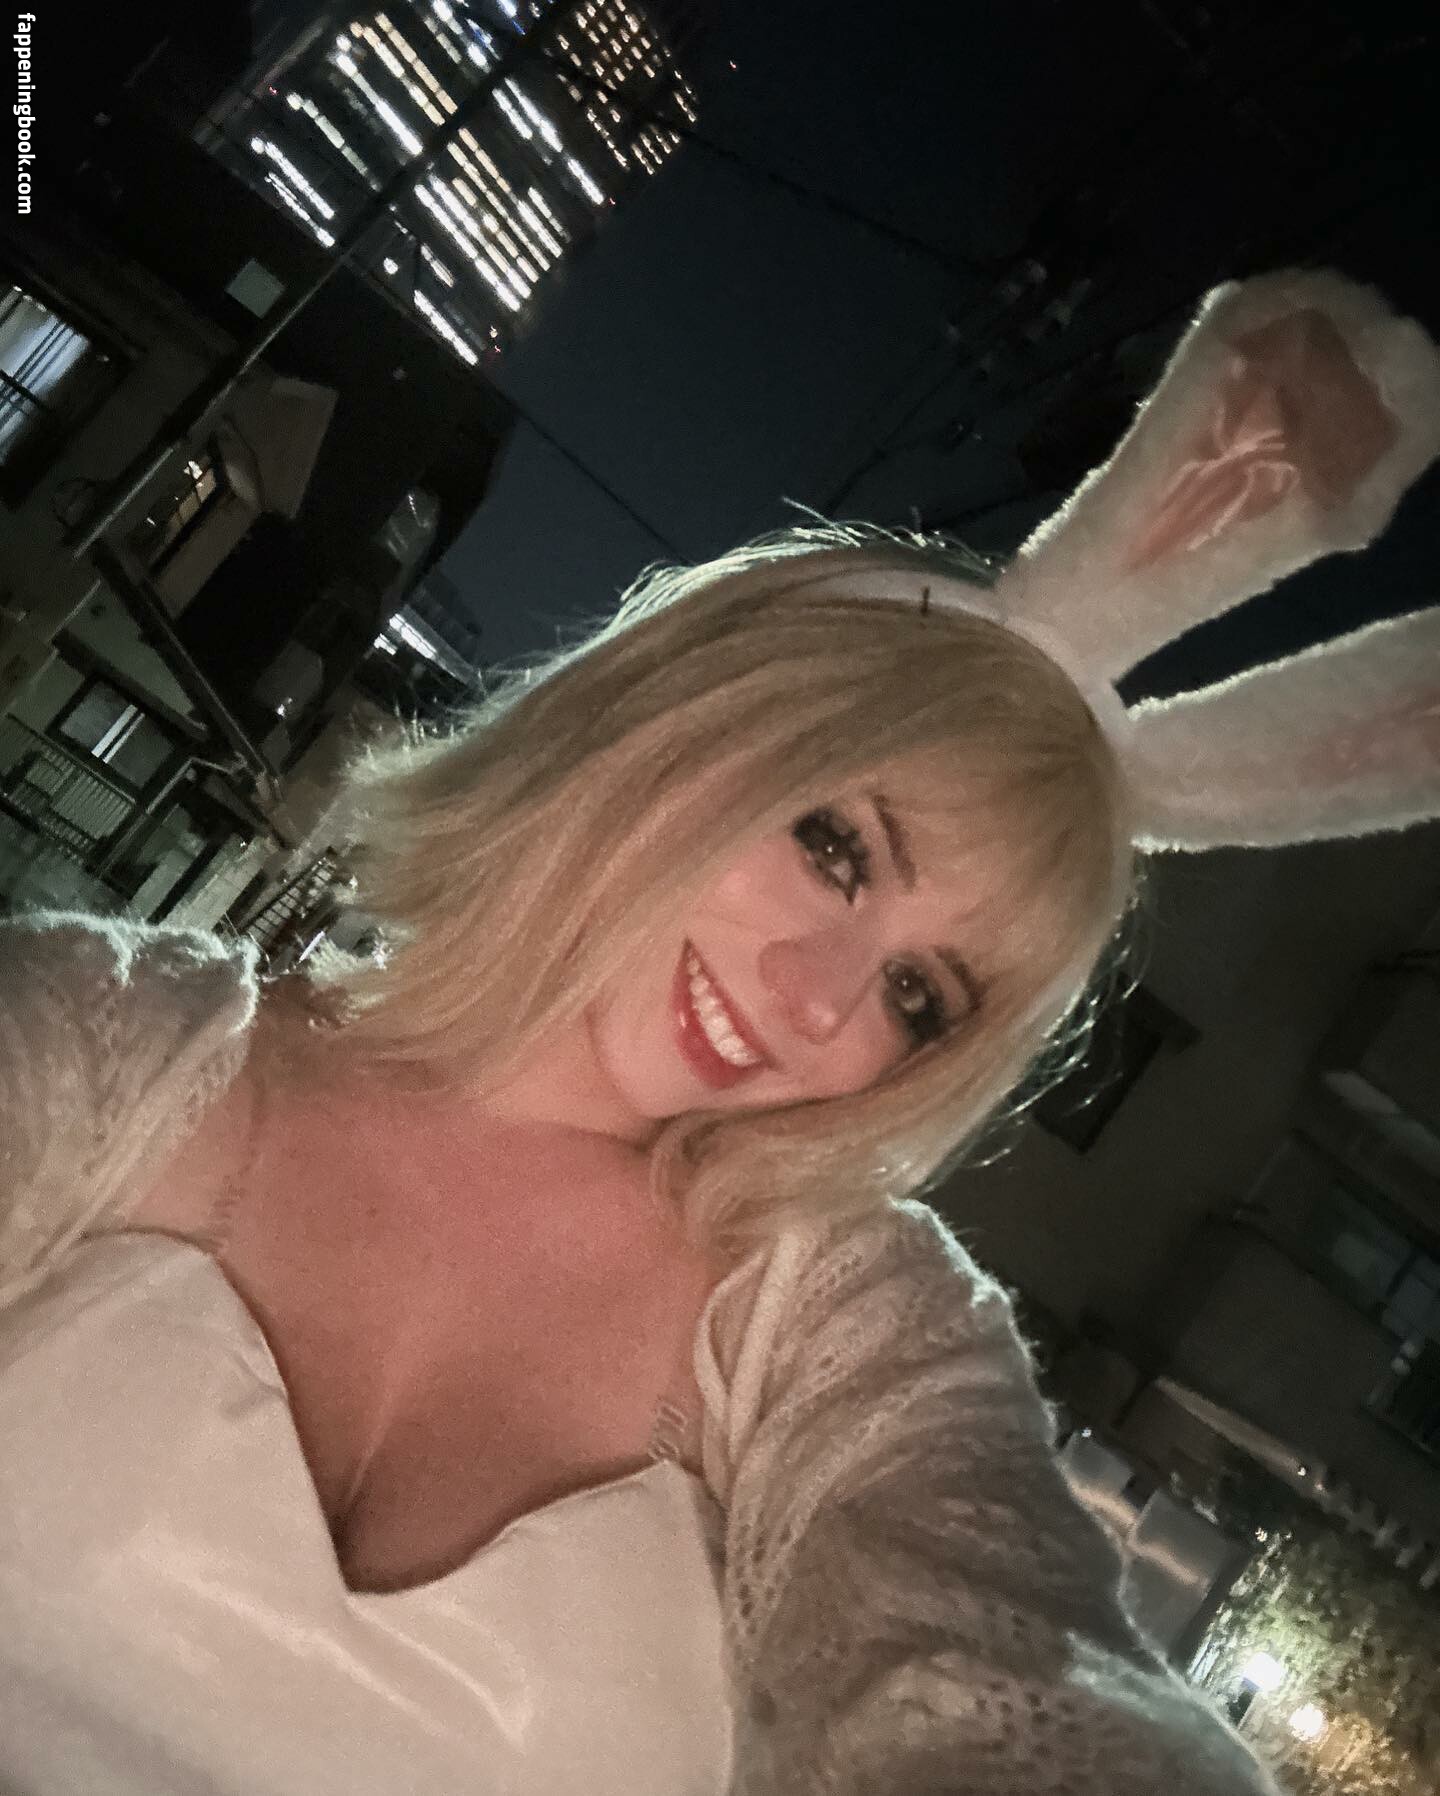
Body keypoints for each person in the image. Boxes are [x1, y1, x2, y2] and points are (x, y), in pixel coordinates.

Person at [1, 267, 1437, 1795]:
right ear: (688, 713)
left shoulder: (841, 1324)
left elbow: (1010, 1664)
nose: (816, 1003)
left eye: (919, 995)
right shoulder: (113, 1041)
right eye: (836, 845)